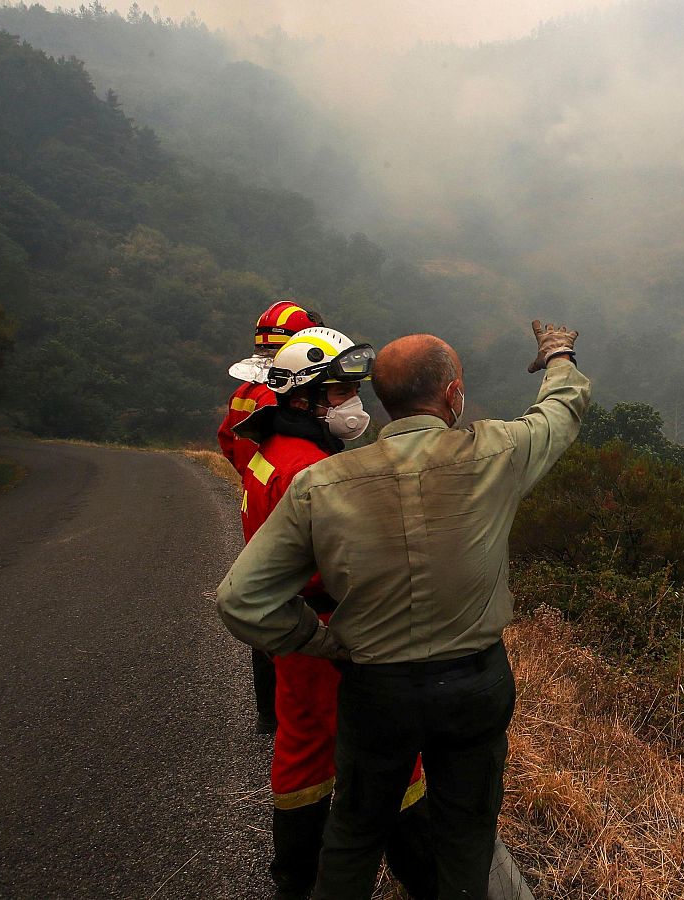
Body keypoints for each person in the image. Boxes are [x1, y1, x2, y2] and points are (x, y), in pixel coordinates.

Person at [218, 320, 588, 898]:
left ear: (383, 401)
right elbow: (561, 412)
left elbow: (241, 600)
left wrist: (321, 642)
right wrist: (558, 355)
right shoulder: (496, 452)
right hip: (474, 687)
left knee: (354, 836)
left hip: (375, 689)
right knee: (466, 833)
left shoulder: (320, 483)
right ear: (453, 394)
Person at [230, 326, 435, 900]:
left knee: (303, 759)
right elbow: (329, 568)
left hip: (292, 643)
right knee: (391, 759)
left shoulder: (272, 456)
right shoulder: (308, 471)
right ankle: (430, 876)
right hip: (328, 641)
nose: (353, 405)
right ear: (304, 399)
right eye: (341, 393)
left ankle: (295, 878)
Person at [221, 299, 325, 734]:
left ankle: (270, 712)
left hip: (260, 502)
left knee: (267, 602)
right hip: (281, 504)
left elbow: (229, 440)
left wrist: (253, 477)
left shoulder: (246, 390)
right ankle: (286, 712)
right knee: (292, 603)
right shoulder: (278, 394)